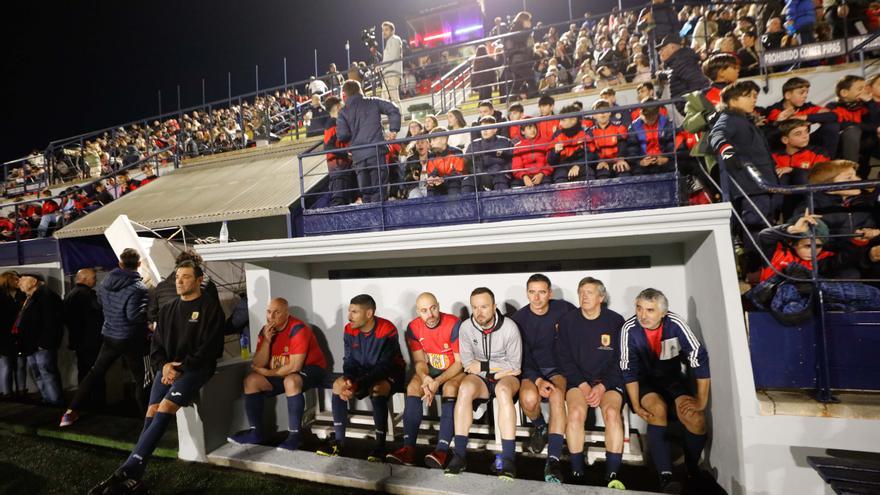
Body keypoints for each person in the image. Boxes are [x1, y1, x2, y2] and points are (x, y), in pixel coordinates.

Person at [89, 261, 225, 495]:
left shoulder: (210, 308)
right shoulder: (169, 309)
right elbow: (157, 345)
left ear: (199, 280)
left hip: (196, 369)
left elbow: (210, 348)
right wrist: (165, 366)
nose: (179, 281)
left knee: (165, 407)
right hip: (169, 367)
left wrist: (179, 368)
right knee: (151, 411)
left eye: (185, 277)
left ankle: (128, 470)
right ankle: (134, 476)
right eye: (177, 277)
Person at [620, 289, 711, 491]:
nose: (642, 315)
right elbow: (629, 370)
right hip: (644, 383)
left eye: (650, 310)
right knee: (657, 409)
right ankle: (665, 476)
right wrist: (635, 404)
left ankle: (691, 468)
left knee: (696, 418)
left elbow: (699, 357)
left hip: (672, 381)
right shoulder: (629, 328)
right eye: (639, 308)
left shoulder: (675, 323)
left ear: (663, 312)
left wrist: (701, 401)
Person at [61, 249, 149, 427]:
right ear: (139, 265)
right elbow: (134, 316)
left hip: (109, 335)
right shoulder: (139, 288)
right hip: (130, 339)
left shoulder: (105, 282)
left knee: (95, 372)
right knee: (142, 378)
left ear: (120, 264)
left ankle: (70, 413)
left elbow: (101, 304)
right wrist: (147, 314)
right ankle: (148, 422)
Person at [228, 298, 327, 451]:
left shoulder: (298, 329)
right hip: (283, 372)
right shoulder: (265, 330)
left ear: (287, 314)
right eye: (269, 312)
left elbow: (295, 366)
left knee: (291, 380)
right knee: (251, 381)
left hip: (312, 369)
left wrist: (268, 372)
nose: (271, 317)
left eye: (277, 312)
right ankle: (256, 432)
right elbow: (258, 364)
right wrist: (267, 341)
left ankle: (295, 436)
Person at [316, 294, 405, 461]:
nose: (349, 316)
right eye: (349, 311)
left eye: (354, 312)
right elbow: (349, 360)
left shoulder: (387, 328)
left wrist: (358, 384)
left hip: (390, 372)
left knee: (377, 389)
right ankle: (339, 442)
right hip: (361, 372)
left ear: (369, 313)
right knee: (338, 385)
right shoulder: (349, 329)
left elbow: (384, 366)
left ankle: (379, 447)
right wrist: (349, 380)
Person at [445, 287, 522, 480]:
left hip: (506, 379)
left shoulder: (510, 327)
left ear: (494, 307)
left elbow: (515, 366)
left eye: (484, 307)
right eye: (475, 307)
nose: (479, 312)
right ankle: (460, 455)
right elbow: (468, 365)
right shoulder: (466, 327)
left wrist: (486, 365)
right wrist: (492, 368)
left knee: (503, 391)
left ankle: (509, 459)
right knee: (464, 388)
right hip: (483, 378)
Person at [558, 277, 627, 489]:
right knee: (576, 413)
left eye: (589, 292)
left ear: (601, 297)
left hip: (607, 382)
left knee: (612, 414)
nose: (584, 296)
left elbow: (621, 359)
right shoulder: (569, 321)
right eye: (581, 292)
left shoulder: (616, 321)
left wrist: (602, 385)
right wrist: (582, 384)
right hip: (579, 382)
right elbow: (563, 357)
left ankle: (612, 473)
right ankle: (577, 470)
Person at [385, 293, 464, 468]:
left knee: (450, 388)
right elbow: (420, 361)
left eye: (433, 308)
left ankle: (442, 451)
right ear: (418, 312)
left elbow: (460, 363)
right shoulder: (413, 327)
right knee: (414, 386)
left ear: (438, 305)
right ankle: (408, 449)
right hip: (432, 371)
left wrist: (438, 381)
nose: (430, 314)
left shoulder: (453, 323)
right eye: (424, 310)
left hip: (453, 370)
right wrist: (426, 378)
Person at [511, 274, 575, 484]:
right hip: (531, 369)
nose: (536, 298)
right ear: (527, 293)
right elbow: (522, 356)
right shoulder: (519, 319)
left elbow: (582, 330)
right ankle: (540, 426)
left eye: (541, 292)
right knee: (528, 399)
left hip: (558, 369)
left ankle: (553, 460)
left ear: (550, 293)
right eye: (532, 292)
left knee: (556, 395)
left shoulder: (564, 310)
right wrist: (537, 380)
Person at [709, 81, 781, 244]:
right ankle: (756, 264)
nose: (753, 100)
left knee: (765, 227)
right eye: (748, 96)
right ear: (733, 100)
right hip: (751, 187)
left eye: (755, 96)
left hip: (761, 185)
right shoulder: (729, 118)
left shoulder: (743, 120)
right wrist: (729, 154)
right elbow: (716, 136)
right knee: (756, 228)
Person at [336, 80, 402, 204]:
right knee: (379, 190)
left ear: (344, 94)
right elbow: (393, 108)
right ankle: (380, 220)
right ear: (359, 90)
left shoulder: (343, 112)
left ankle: (370, 218)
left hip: (358, 157)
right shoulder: (373, 102)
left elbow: (342, 135)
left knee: (366, 192)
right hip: (376, 152)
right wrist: (393, 130)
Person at [16, 273, 64, 406]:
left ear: (33, 281)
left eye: (22, 279)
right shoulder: (31, 297)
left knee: (46, 373)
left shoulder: (46, 297)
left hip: (41, 345)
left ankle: (55, 402)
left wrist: (44, 343)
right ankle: (47, 400)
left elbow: (52, 323)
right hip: (33, 345)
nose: (19, 283)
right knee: (39, 373)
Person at [63, 268, 105, 409]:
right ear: (85, 279)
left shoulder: (71, 294)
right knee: (95, 372)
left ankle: (84, 401)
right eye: (93, 277)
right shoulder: (87, 295)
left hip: (79, 341)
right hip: (90, 342)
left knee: (83, 371)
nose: (95, 280)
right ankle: (97, 402)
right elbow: (97, 318)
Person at [766, 77, 839, 158]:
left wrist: (803, 117)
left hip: (804, 142)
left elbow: (833, 116)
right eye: (801, 93)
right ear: (788, 95)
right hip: (782, 147)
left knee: (831, 127)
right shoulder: (774, 110)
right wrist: (779, 121)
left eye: (807, 92)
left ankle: (829, 162)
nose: (805, 96)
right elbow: (770, 135)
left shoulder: (808, 107)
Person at [147, 250, 219, 327]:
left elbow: (152, 314)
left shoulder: (161, 287)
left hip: (167, 331)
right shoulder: (206, 284)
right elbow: (215, 313)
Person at [657, 35, 709, 111]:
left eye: (662, 49)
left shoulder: (682, 61)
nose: (660, 53)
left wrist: (694, 105)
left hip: (697, 110)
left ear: (672, 47)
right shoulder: (679, 60)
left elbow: (699, 83)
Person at [626, 103, 676, 175]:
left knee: (675, 167)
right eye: (647, 117)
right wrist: (640, 161)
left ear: (657, 114)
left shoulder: (667, 123)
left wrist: (667, 158)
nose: (650, 121)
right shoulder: (634, 127)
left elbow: (671, 143)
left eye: (653, 118)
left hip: (663, 159)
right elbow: (632, 148)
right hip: (643, 161)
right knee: (637, 171)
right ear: (641, 114)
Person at [466, 116, 514, 191]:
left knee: (500, 181)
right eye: (482, 128)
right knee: (467, 182)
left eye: (488, 128)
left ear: (495, 129)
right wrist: (478, 173)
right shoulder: (473, 144)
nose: (484, 131)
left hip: (500, 174)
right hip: (479, 176)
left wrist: (504, 172)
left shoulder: (505, 142)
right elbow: (467, 163)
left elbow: (513, 160)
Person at [323, 95, 355, 206]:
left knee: (345, 199)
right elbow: (328, 147)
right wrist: (346, 155)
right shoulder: (332, 123)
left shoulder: (336, 123)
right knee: (339, 200)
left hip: (342, 167)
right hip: (338, 168)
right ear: (337, 106)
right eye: (342, 105)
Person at [587, 100, 631, 179]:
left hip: (618, 160)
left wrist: (621, 159)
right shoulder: (590, 132)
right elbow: (591, 151)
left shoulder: (619, 127)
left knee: (623, 172)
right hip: (601, 163)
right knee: (602, 176)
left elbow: (623, 145)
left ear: (610, 113)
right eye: (599, 111)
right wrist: (599, 161)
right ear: (594, 115)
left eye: (605, 110)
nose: (603, 113)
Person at [547, 104, 589, 183]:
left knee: (589, 175)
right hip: (562, 166)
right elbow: (551, 162)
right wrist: (555, 152)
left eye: (563, 120)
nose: (560, 123)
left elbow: (592, 154)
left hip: (583, 164)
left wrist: (578, 165)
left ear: (573, 119)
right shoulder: (556, 134)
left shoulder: (585, 132)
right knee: (559, 178)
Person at [0, 271, 25, 398]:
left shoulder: (21, 294)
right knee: (7, 365)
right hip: (4, 336)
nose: (18, 281)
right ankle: (7, 393)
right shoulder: (2, 296)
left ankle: (21, 391)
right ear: (7, 281)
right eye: (15, 279)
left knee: (20, 365)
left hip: (18, 335)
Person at [426, 128, 471, 197]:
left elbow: (458, 173)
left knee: (454, 184)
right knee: (430, 186)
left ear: (444, 139)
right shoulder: (431, 155)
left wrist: (443, 179)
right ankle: (431, 207)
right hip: (440, 183)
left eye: (433, 139)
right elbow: (431, 173)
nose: (431, 143)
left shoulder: (456, 152)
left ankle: (454, 207)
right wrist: (433, 178)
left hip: (455, 182)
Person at [512, 121, 551, 187]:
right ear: (522, 132)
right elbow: (516, 166)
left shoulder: (545, 142)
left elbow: (550, 162)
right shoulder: (518, 147)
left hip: (543, 175)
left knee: (547, 183)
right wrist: (524, 176)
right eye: (529, 128)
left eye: (534, 128)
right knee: (514, 186)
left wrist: (541, 174)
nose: (533, 130)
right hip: (525, 177)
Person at [380, 21, 404, 104]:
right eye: (383, 30)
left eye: (386, 30)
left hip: (392, 74)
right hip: (388, 74)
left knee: (394, 99)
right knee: (386, 99)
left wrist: (380, 66)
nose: (384, 32)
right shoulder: (391, 41)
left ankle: (400, 117)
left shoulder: (394, 39)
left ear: (392, 31)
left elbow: (393, 57)